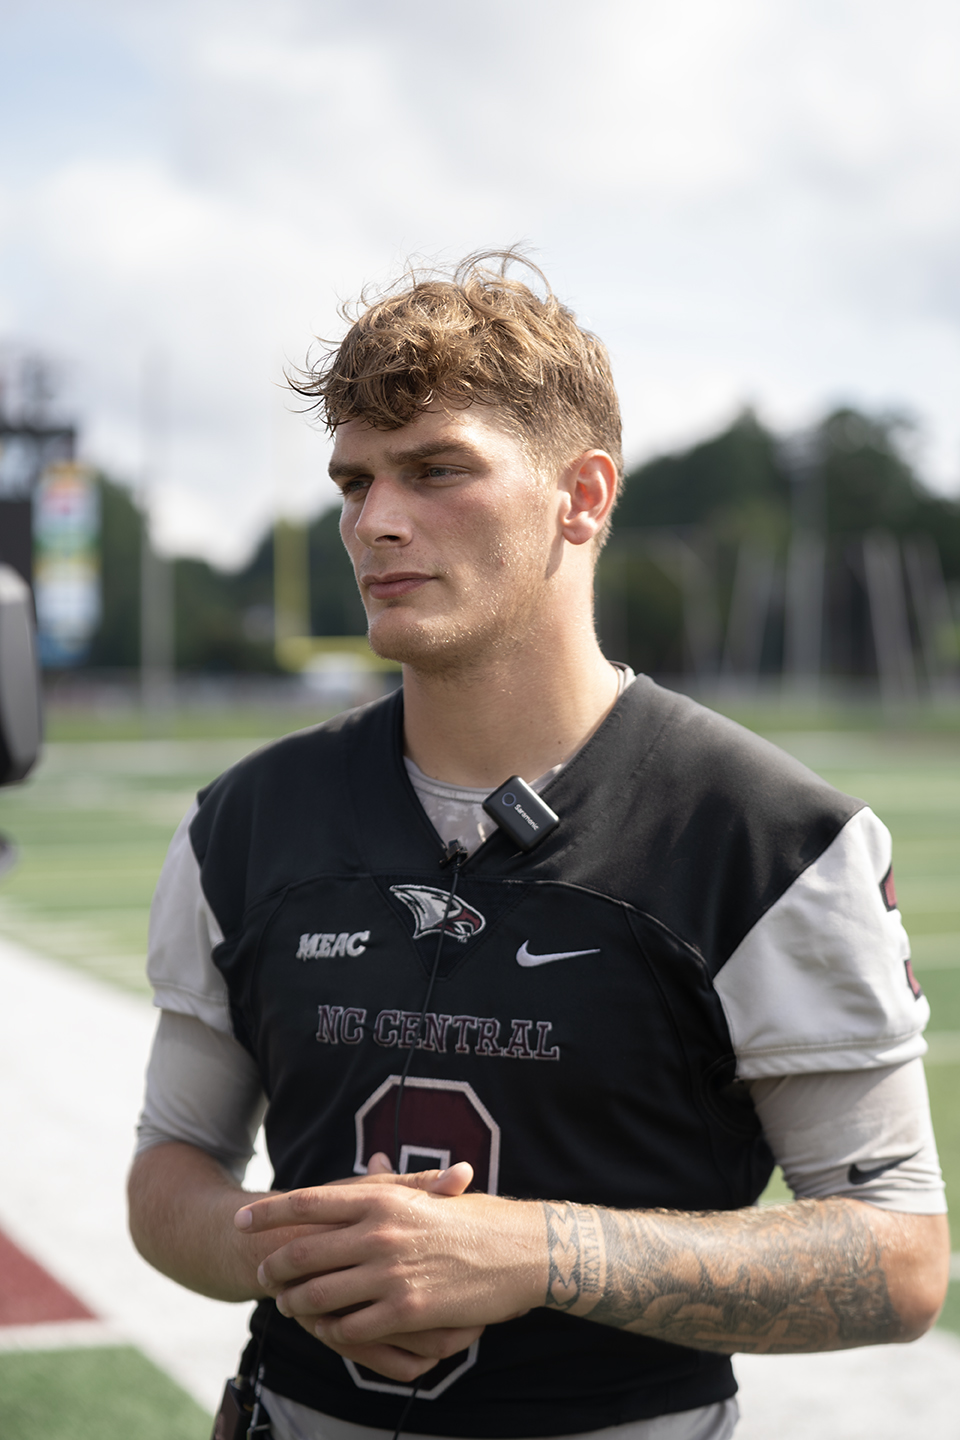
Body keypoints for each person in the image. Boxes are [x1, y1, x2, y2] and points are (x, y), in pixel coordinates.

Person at [128, 251, 950, 1440]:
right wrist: (297, 1254)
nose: (376, 522)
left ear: (583, 496)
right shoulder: (245, 820)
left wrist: (541, 1252)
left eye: (436, 469)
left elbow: (897, 1259)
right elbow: (171, 1175)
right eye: (353, 481)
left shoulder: (764, 836)